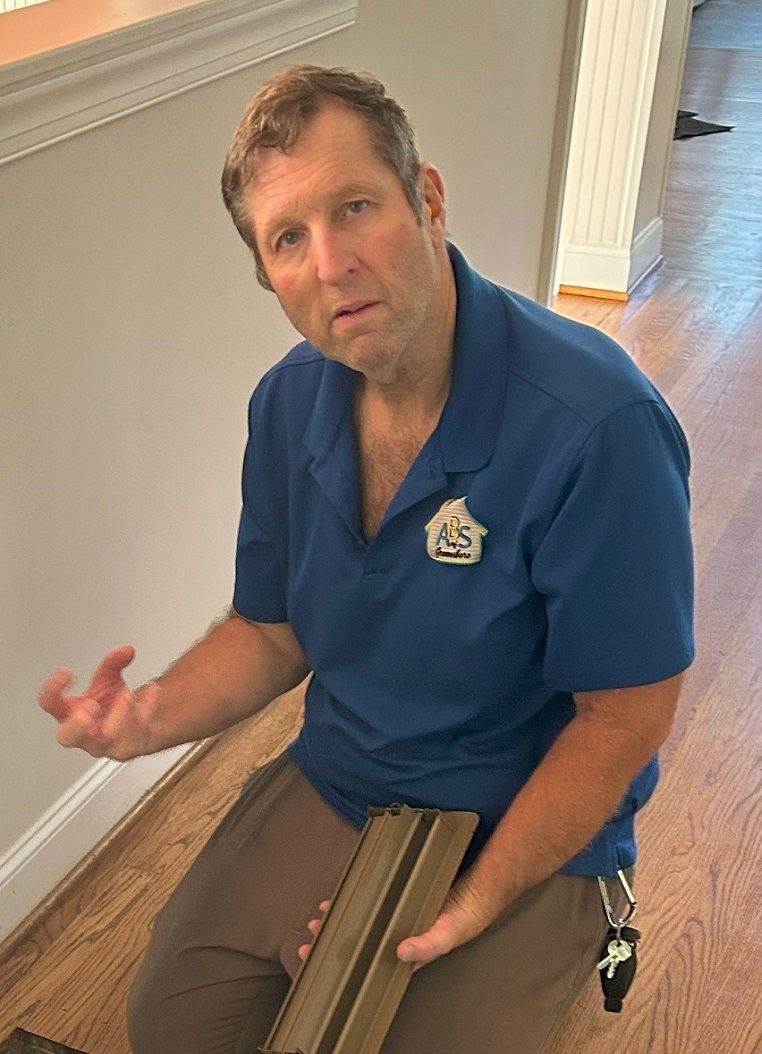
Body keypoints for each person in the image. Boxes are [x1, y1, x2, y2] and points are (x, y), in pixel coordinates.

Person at [38, 65, 694, 1054]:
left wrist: (467, 904)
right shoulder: (288, 403)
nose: (333, 262)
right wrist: (149, 718)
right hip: (343, 772)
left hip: (518, 819)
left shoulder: (597, 425)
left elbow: (626, 715)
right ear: (269, 275)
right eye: (288, 238)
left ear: (425, 198)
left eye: (356, 207)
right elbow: (271, 629)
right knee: (171, 1027)